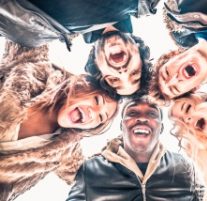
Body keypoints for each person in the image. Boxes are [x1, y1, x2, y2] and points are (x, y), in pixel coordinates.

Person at [0, 41, 118, 201]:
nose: (93, 113)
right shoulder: (33, 67)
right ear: (83, 85)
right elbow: (31, 25)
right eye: (97, 100)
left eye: (100, 118)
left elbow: (89, 181)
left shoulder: (64, 151)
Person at [0, 0, 157, 96]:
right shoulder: (143, 2)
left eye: (114, 79)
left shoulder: (33, 34)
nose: (123, 72)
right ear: (138, 50)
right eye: (135, 73)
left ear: (97, 65)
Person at [66, 97, 202, 201]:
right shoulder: (91, 169)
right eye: (132, 112)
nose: (142, 118)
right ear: (122, 125)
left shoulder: (184, 167)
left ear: (161, 128)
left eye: (151, 114)